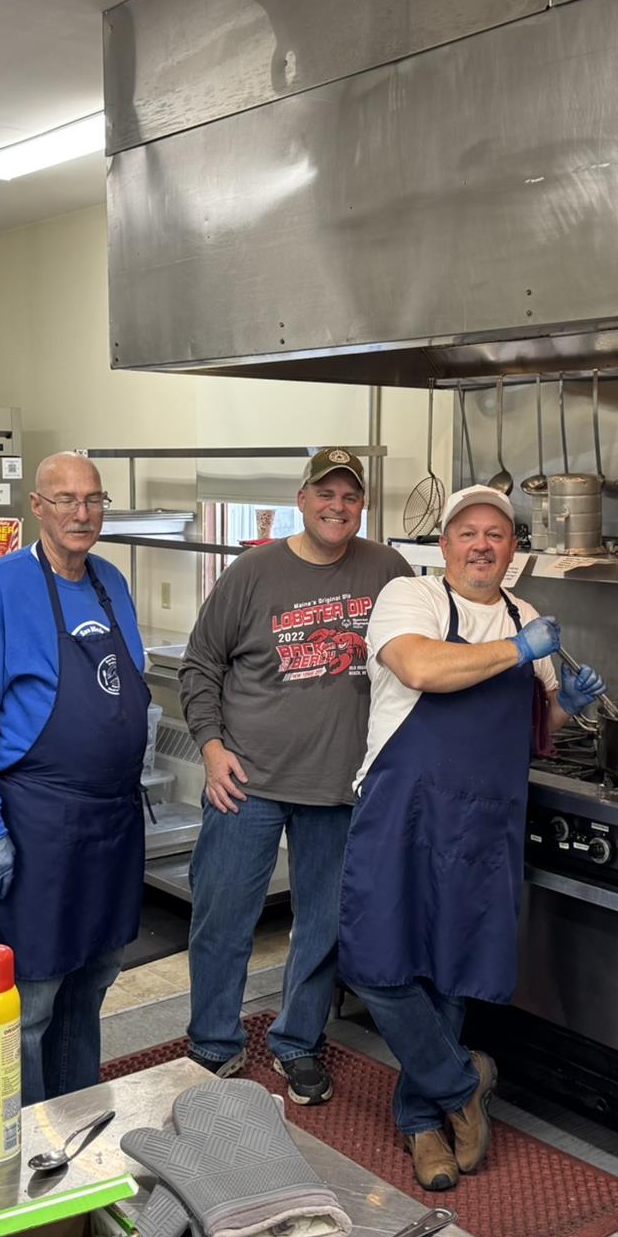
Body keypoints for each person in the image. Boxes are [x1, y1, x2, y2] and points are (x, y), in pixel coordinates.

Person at [338, 485, 605, 1192]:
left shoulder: (526, 615)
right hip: (403, 808)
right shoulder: (411, 596)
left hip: (483, 819)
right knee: (373, 963)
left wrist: (569, 705)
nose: (482, 544)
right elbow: (422, 668)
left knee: (450, 969)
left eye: (497, 533)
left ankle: (423, 1123)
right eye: (468, 532)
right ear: (445, 545)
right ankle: (464, 1081)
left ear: (513, 548)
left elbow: (539, 723)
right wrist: (517, 650)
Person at [179, 448, 412, 1103]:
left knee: (323, 926)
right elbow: (201, 664)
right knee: (223, 916)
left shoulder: (388, 570)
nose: (337, 506)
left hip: (341, 785)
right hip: (246, 779)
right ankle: (213, 1042)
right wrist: (211, 747)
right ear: (302, 499)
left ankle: (298, 1041)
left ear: (362, 505)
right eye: (325, 494)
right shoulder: (253, 571)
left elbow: (416, 658)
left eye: (350, 496)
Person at [0, 452, 148, 1104]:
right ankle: (23, 1136)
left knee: (93, 979)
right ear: (37, 506)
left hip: (112, 821)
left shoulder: (110, 581)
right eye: (65, 500)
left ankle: (76, 1118)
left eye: (93, 499)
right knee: (30, 999)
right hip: (40, 823)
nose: (82, 513)